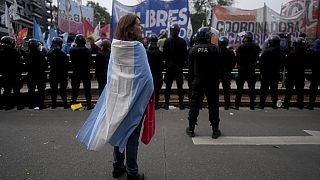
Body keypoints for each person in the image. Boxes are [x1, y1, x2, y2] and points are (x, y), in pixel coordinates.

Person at [76, 13, 153, 180]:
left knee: (118, 130)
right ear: (130, 28)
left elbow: (112, 75)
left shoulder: (115, 46)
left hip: (117, 97)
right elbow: (147, 79)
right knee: (132, 135)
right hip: (135, 99)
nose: (141, 27)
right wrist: (145, 96)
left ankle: (117, 167)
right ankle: (132, 173)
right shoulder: (138, 47)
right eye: (138, 24)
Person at [186, 27, 221, 139]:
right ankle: (215, 129)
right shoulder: (215, 49)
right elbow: (218, 67)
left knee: (194, 106)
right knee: (213, 106)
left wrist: (190, 85)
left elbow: (190, 70)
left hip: (198, 81)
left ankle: (191, 128)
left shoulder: (193, 49)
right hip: (212, 82)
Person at [163, 23, 188, 110]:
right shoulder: (182, 42)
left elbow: (164, 55)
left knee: (168, 86)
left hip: (169, 67)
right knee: (180, 86)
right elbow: (185, 56)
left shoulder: (167, 41)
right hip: (178, 67)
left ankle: (166, 104)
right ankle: (181, 104)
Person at [233, 32, 260, 110]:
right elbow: (257, 59)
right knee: (252, 88)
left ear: (247, 38)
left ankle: (237, 105)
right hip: (251, 70)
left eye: (244, 37)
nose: (243, 39)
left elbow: (237, 59)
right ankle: (252, 105)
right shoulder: (256, 46)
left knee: (240, 89)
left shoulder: (241, 47)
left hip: (242, 70)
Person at [258, 35, 286, 109]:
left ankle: (262, 104)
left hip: (266, 74)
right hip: (275, 73)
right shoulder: (281, 52)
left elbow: (261, 63)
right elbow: (283, 63)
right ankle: (274, 104)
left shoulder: (267, 51)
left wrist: (262, 72)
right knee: (274, 90)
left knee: (264, 90)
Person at [69, 34, 94, 110]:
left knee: (75, 89)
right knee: (87, 89)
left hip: (76, 71)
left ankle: (74, 104)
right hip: (85, 72)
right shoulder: (87, 51)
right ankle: (89, 104)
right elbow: (90, 62)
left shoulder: (72, 50)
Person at [283, 37, 307, 109]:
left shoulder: (291, 54)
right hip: (300, 74)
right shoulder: (305, 54)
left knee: (289, 91)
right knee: (300, 91)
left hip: (291, 74)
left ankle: (286, 104)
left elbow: (286, 65)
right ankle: (300, 105)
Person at [0, 36, 24, 110]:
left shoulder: (1, 52)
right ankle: (19, 105)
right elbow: (20, 64)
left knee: (7, 90)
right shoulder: (15, 52)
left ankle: (8, 105)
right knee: (16, 91)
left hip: (5, 75)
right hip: (14, 74)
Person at [25, 39, 48, 109]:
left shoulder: (27, 55)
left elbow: (26, 66)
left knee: (31, 90)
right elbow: (45, 65)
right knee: (41, 90)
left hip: (31, 75)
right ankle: (41, 104)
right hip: (40, 75)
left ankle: (31, 104)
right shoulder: (41, 55)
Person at [47, 37, 69, 109]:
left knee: (54, 89)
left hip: (53, 73)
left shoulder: (50, 53)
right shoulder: (63, 54)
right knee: (63, 90)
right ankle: (65, 104)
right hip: (62, 74)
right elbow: (66, 65)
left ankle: (53, 104)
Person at [218, 36, 236, 110]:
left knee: (214, 89)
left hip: (217, 73)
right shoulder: (230, 52)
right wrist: (229, 69)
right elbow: (233, 62)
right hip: (226, 73)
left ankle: (213, 103)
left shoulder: (216, 51)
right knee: (227, 90)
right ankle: (227, 105)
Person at [146, 33, 164, 109]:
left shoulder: (146, 52)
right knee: (156, 89)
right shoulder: (159, 53)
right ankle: (155, 104)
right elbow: (162, 65)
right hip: (157, 73)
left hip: (148, 73)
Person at [306, 38, 320, 110]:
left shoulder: (314, 52)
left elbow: (309, 62)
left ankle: (311, 104)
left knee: (313, 88)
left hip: (316, 72)